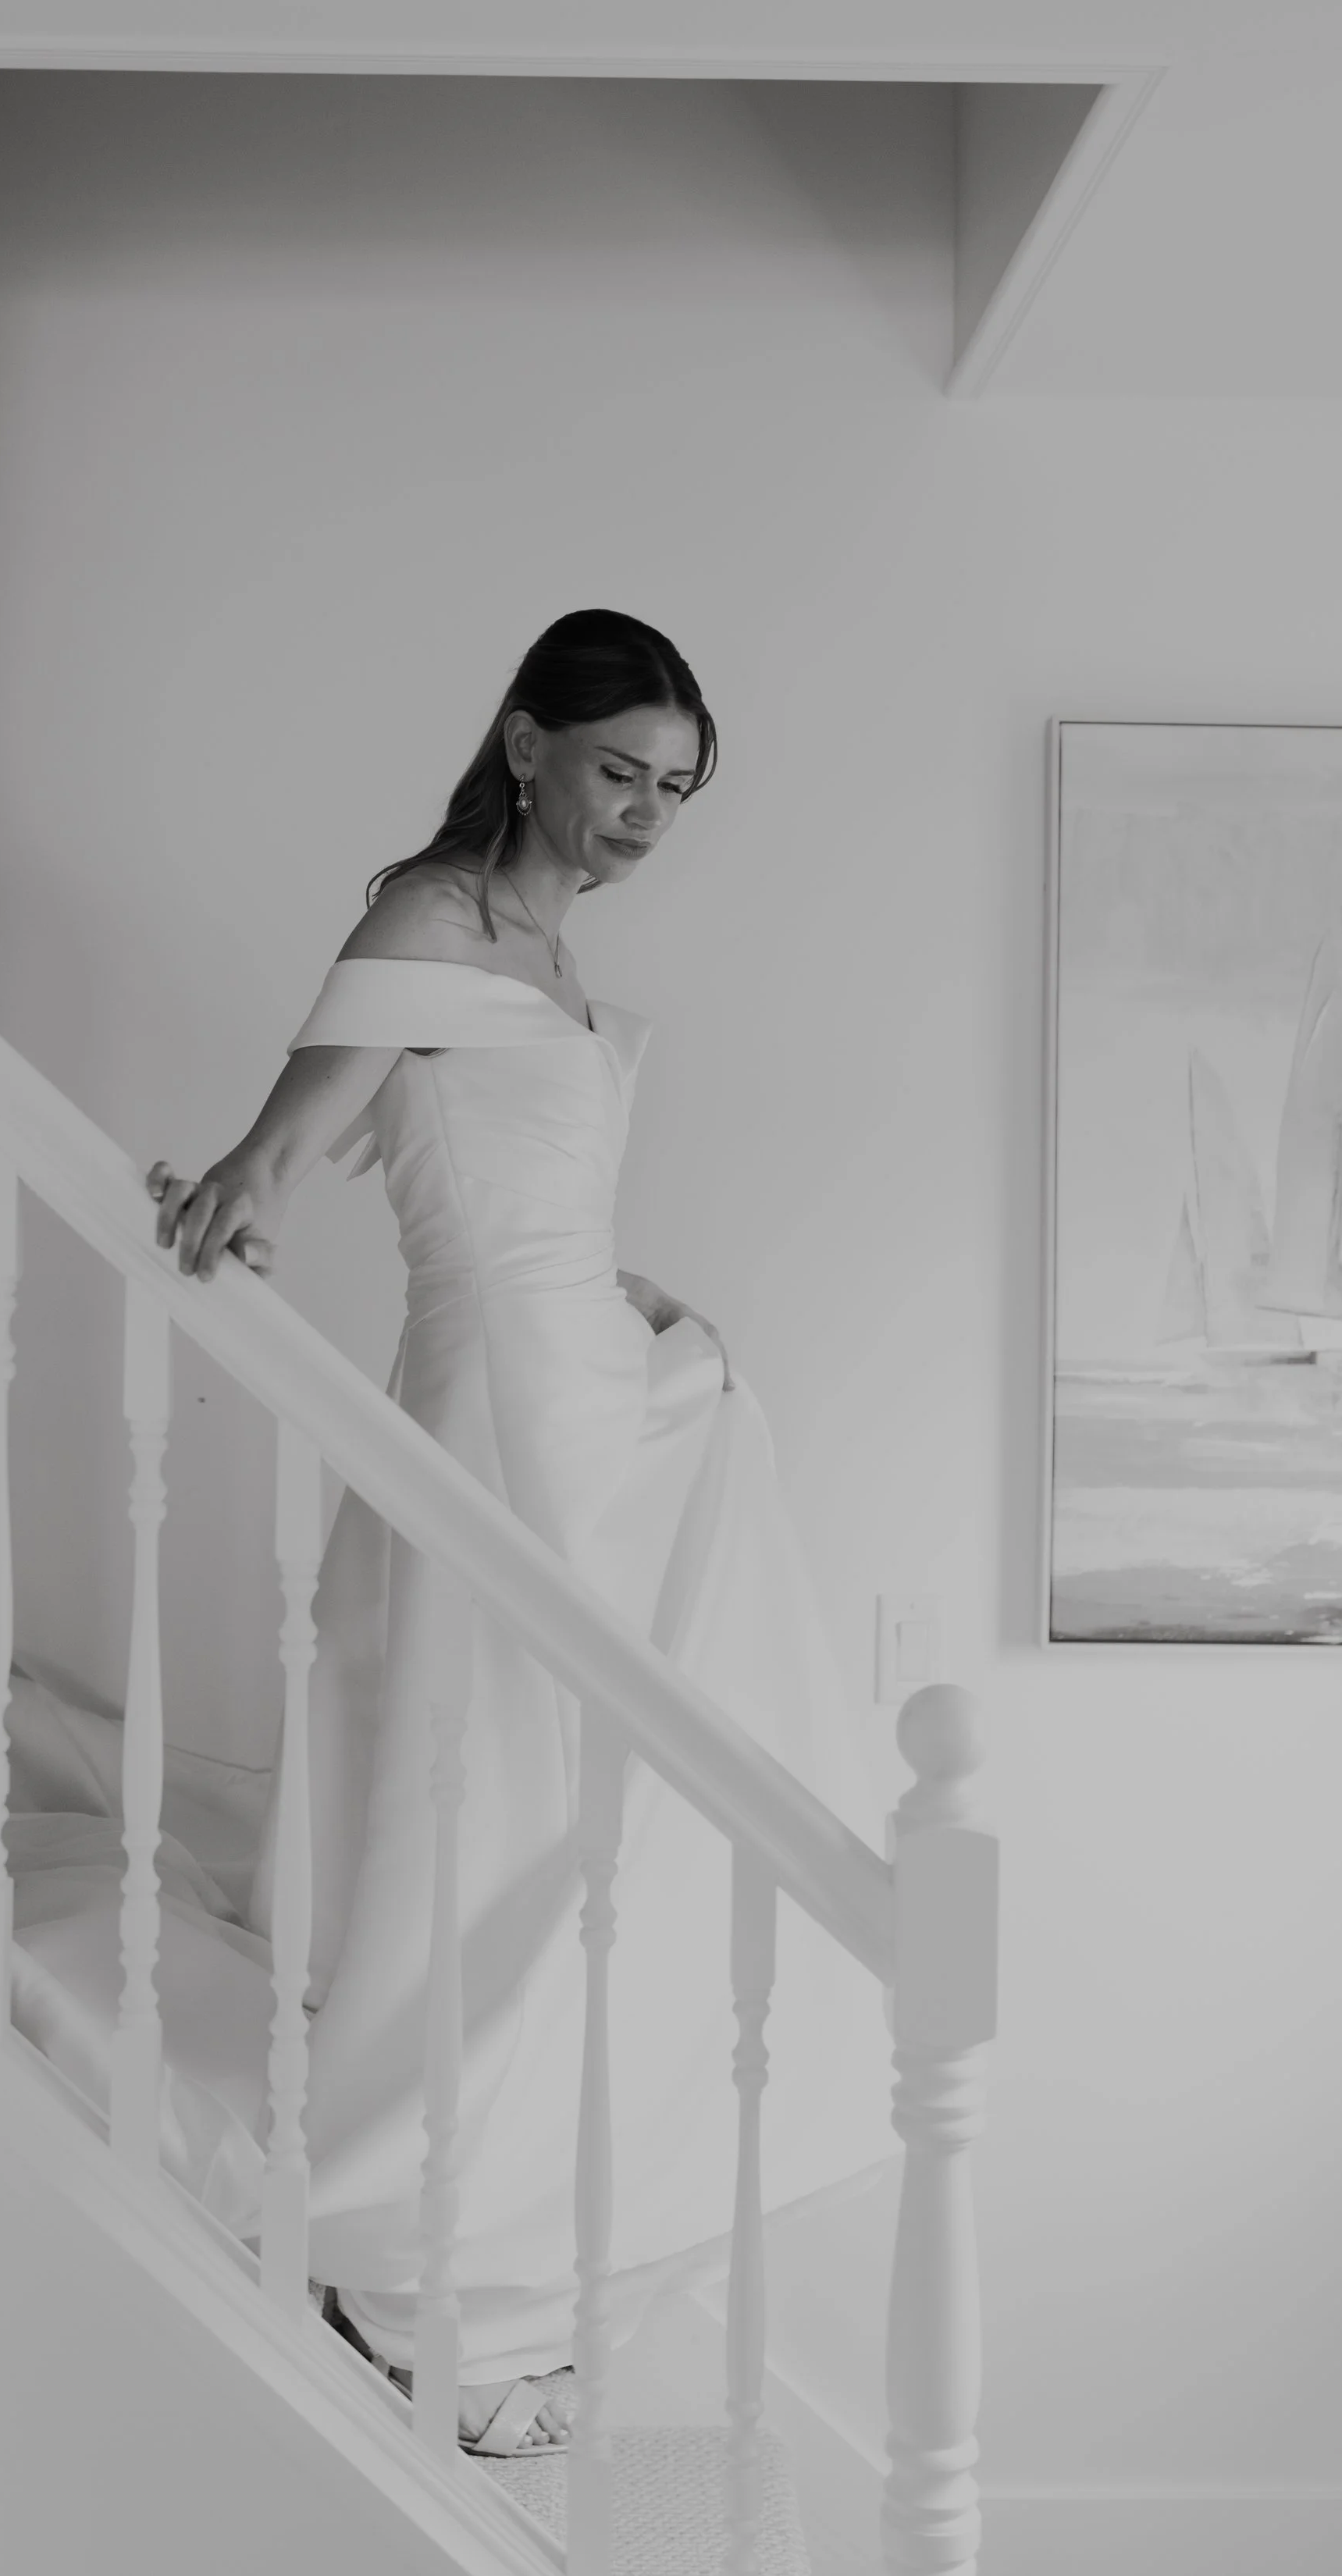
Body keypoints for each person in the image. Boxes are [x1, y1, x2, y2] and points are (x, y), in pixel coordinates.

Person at [147, 610, 888, 2458]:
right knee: (494, 1809)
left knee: (603, 1818)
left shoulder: (551, 949)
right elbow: (296, 1140)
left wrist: (621, 1292)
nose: (642, 813)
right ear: (525, 740)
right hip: (498, 1414)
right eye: (619, 769)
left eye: (672, 789)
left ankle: (496, 2257)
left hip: (593, 1387)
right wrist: (231, 1188)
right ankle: (407, 2270)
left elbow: (524, 1180)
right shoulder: (430, 911)